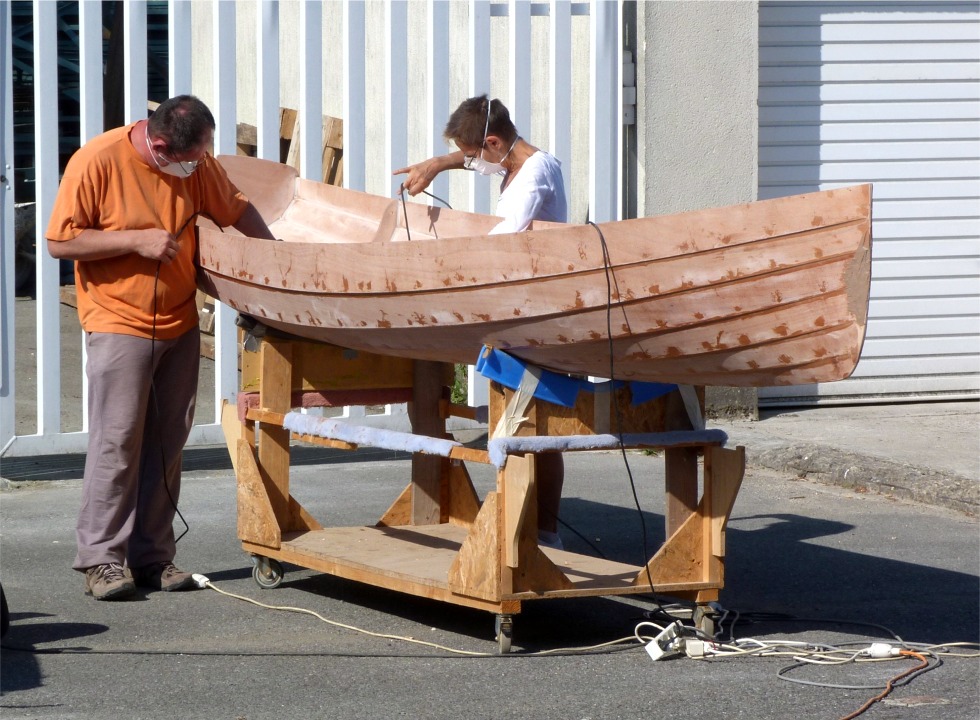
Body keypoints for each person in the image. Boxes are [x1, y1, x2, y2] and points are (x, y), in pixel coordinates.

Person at [46, 95, 275, 601]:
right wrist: (135, 241)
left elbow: (237, 210)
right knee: (118, 441)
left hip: (178, 321)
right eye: (192, 157)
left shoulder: (195, 165)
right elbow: (60, 242)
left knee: (168, 442)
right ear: (160, 144)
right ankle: (102, 559)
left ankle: (153, 557)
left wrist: (277, 265)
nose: (199, 165)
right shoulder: (97, 160)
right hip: (117, 320)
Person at [394, 94, 568, 549]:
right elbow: (475, 157)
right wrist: (438, 163)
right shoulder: (510, 161)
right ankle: (525, 526)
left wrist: (443, 268)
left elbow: (505, 236)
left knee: (538, 429)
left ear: (493, 142)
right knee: (516, 425)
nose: (473, 164)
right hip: (515, 312)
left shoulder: (536, 173)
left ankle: (545, 535)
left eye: (475, 155)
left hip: (537, 318)